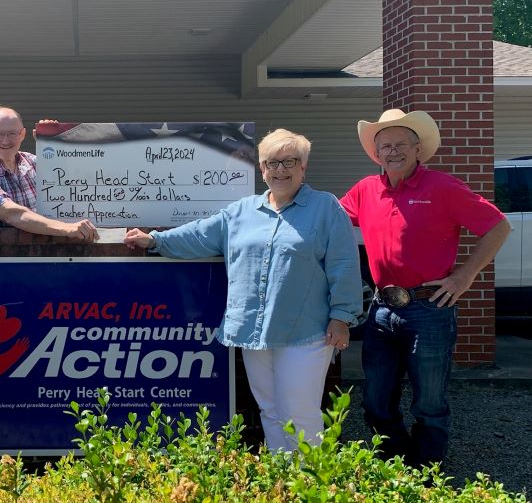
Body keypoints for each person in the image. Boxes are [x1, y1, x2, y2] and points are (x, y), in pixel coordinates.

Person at [125, 129, 361, 452]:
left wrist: (342, 316)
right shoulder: (241, 212)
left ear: (303, 166)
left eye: (289, 161)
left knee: (300, 412)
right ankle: (282, 479)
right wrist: (155, 240)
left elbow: (344, 264)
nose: (280, 170)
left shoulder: (326, 209)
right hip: (254, 332)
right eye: (271, 163)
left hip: (306, 332)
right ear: (261, 169)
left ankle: (312, 484)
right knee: (270, 409)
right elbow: (199, 235)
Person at [341, 109, 510, 467]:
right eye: (384, 145)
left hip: (429, 307)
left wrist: (463, 277)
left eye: (401, 143)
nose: (392, 151)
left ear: (419, 150)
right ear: (376, 153)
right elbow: (327, 221)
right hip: (381, 309)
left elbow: (498, 227)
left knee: (429, 401)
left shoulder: (443, 187)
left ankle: (428, 471)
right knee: (376, 397)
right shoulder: (365, 190)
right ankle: (397, 462)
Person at [0, 106, 99, 241]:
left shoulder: (31, 162)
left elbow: (72, 181)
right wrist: (68, 228)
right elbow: (12, 214)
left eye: (12, 133)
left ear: (22, 134)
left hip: (35, 257)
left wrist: (52, 143)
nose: (5, 141)